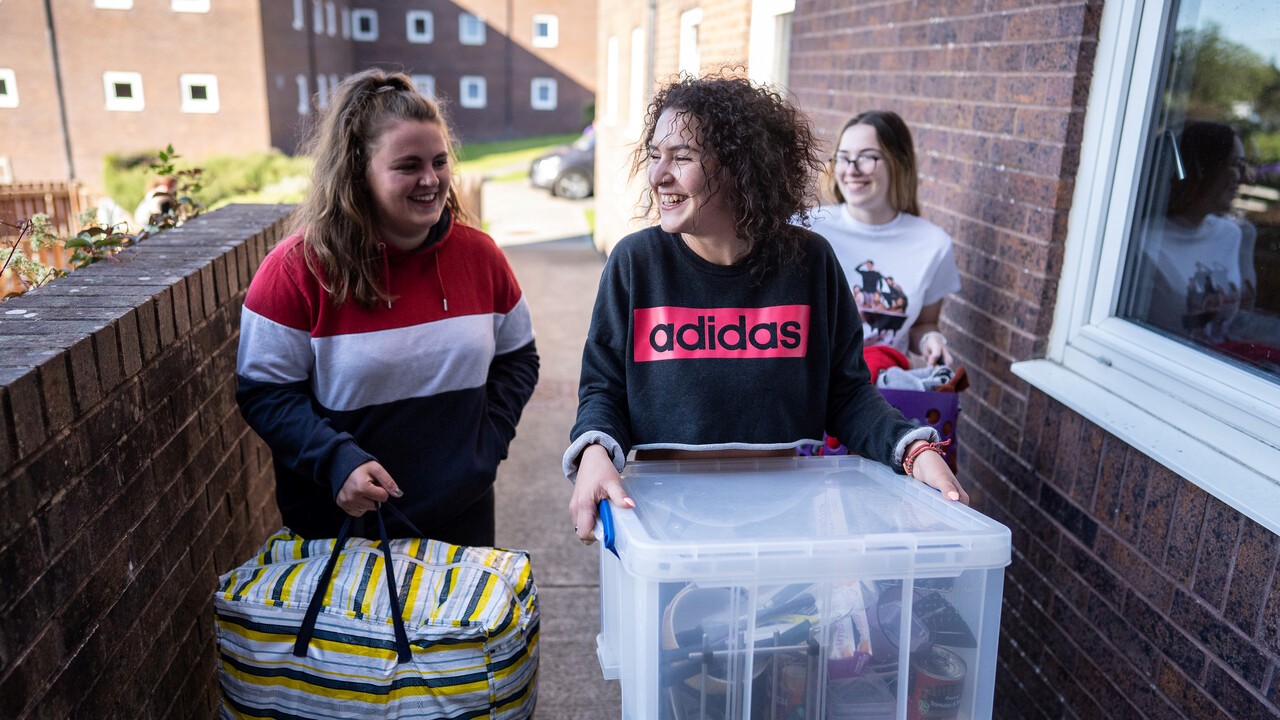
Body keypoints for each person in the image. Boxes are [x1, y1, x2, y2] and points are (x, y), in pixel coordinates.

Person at [564, 74, 968, 544]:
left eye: (683, 157)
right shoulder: (637, 263)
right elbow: (603, 389)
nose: (658, 175)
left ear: (741, 167)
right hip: (665, 525)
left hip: (784, 527)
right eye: (656, 155)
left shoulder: (810, 263)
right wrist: (595, 447)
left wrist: (913, 448)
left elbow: (847, 395)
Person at [236, 68, 539, 546]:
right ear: (359, 171)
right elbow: (265, 393)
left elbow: (518, 358)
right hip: (341, 527)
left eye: (439, 162)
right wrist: (335, 461)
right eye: (407, 166)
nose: (430, 180)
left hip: (462, 519)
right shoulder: (295, 271)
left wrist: (486, 446)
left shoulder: (481, 257)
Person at [809, 111, 961, 368]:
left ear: (898, 163)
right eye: (844, 158)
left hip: (882, 394)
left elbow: (922, 325)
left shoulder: (933, 244)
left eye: (867, 157)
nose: (851, 170)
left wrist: (931, 341)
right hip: (813, 393)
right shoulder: (807, 226)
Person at [1139, 120, 1253, 344]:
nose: (1243, 177)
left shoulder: (1232, 235)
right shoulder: (1142, 240)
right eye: (1235, 164)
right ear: (1203, 167)